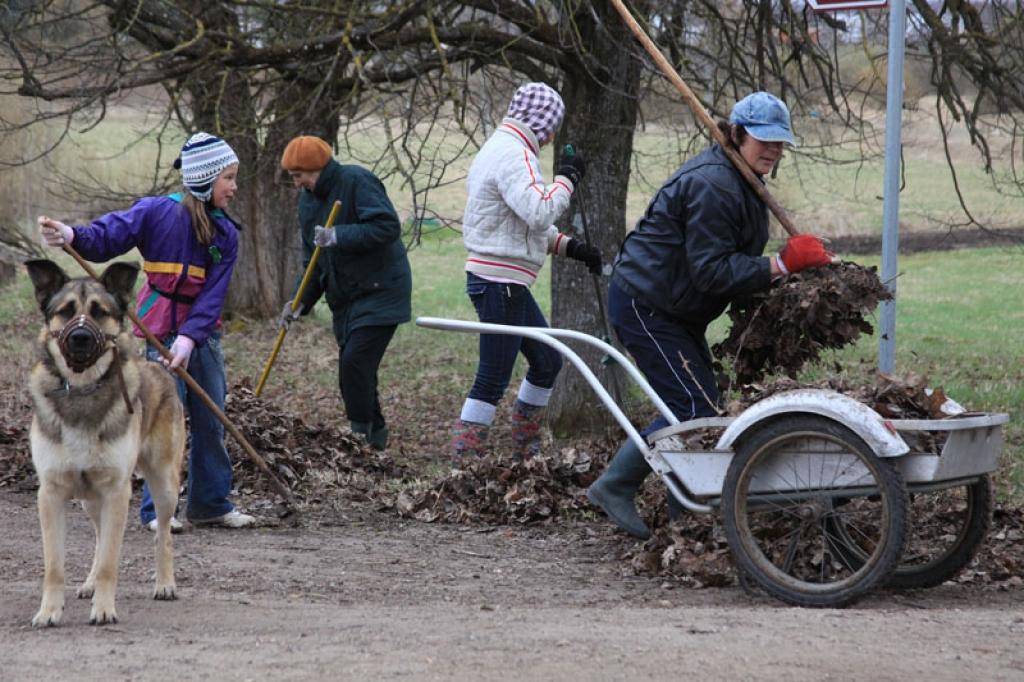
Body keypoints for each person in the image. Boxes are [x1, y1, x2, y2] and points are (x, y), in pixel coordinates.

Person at [586, 92, 833, 539]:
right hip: (648, 302)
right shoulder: (714, 185)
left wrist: (792, 276)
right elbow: (711, 271)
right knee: (690, 408)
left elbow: (729, 262)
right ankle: (615, 485)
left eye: (780, 143)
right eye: (763, 140)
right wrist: (780, 265)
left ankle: (686, 510)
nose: (774, 150)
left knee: (704, 407)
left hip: (678, 307)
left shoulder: (743, 181)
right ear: (736, 134)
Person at [38, 131, 255, 530]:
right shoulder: (155, 212)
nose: (234, 186)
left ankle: (211, 503)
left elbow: (212, 296)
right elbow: (106, 237)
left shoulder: (227, 234)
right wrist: (70, 236)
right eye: (228, 177)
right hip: (156, 331)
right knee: (158, 420)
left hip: (202, 336)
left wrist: (190, 340)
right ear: (205, 180)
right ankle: (157, 511)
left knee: (211, 415)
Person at [450, 81, 602, 464]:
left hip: (506, 281)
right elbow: (539, 210)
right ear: (541, 123)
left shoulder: (504, 149)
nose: (551, 137)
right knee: (493, 375)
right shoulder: (513, 155)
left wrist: (574, 248)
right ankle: (465, 462)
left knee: (548, 361)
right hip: (498, 281)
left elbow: (522, 222)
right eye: (552, 128)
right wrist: (567, 178)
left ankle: (525, 448)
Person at [277, 135, 412, 451]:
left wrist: (339, 235)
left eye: (299, 176)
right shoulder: (308, 201)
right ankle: (375, 435)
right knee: (356, 371)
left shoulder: (356, 181)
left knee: (354, 363)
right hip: (346, 296)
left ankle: (359, 439)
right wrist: (299, 302)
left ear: (316, 168)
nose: (296, 183)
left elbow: (387, 226)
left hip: (381, 289)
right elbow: (311, 259)